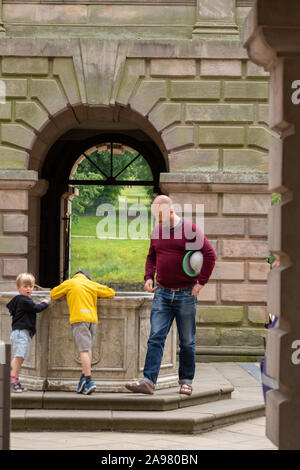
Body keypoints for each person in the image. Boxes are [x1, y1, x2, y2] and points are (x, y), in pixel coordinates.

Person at [125, 195, 216, 395]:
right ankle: (148, 382)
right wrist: (149, 276)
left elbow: (210, 254)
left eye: (160, 217)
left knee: (187, 341)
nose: (158, 222)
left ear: (171, 212)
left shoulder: (190, 230)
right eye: (156, 218)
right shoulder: (157, 231)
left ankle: (186, 381)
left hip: (185, 293)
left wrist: (201, 282)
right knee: (155, 337)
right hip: (162, 293)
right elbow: (152, 256)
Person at [50, 270, 115, 395]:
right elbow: (111, 292)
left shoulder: (70, 283)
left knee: (84, 350)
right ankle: (83, 380)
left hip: (79, 319)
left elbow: (53, 294)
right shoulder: (92, 284)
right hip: (92, 320)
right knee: (88, 349)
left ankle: (89, 381)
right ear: (87, 277)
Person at [6, 272, 50, 393]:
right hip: (21, 333)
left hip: (21, 332)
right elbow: (36, 309)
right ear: (18, 287)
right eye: (25, 286)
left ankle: (15, 379)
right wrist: (45, 303)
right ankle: (11, 380)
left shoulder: (17, 300)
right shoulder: (24, 300)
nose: (28, 289)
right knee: (18, 357)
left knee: (20, 358)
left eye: (30, 286)